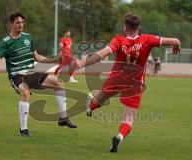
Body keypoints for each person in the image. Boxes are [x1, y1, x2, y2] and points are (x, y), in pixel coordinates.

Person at [72, 14, 181, 152]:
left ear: (125, 28)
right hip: (135, 83)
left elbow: (102, 54)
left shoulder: (118, 40)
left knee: (101, 97)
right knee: (128, 118)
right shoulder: (147, 39)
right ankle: (119, 136)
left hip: (116, 79)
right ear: (139, 27)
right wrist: (176, 44)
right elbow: (175, 40)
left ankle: (90, 108)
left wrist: (82, 63)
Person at [0, 12, 77, 137]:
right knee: (25, 93)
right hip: (17, 75)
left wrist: (54, 59)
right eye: (17, 22)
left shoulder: (28, 38)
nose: (20, 25)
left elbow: (37, 57)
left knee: (59, 83)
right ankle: (23, 130)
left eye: (22, 22)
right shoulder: (6, 42)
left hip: (32, 72)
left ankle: (63, 118)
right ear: (11, 24)